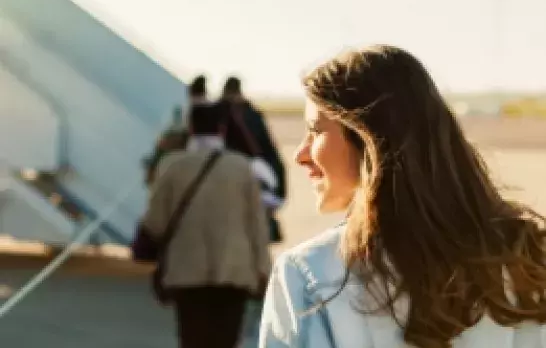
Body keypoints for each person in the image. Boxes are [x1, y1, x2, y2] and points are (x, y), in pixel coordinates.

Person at [259, 45, 546, 348]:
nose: (300, 155)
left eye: (315, 131)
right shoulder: (524, 259)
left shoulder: (311, 274)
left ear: (368, 136)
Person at [142, 100, 271, 348]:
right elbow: (257, 224)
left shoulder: (172, 165)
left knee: (193, 339)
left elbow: (155, 222)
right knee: (226, 340)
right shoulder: (242, 167)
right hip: (234, 270)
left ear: (191, 128)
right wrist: (263, 268)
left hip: (187, 271)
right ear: (222, 129)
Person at [220, 76, 287, 242]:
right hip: (255, 182)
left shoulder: (218, 116)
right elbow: (270, 151)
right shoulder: (251, 114)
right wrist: (278, 193)